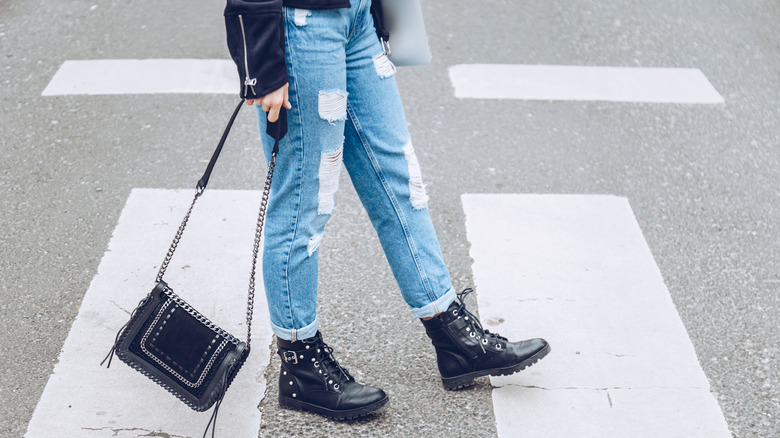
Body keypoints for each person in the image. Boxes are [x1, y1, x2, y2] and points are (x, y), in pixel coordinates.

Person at [223, 0, 550, 420]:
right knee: (305, 203)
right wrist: (263, 62)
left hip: (357, 18)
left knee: (399, 180)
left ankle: (453, 338)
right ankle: (300, 364)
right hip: (300, 25)